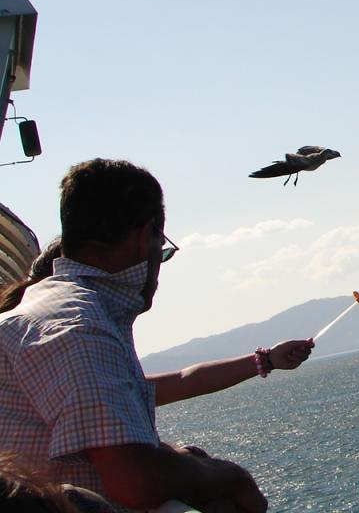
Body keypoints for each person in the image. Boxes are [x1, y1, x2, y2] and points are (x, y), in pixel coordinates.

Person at [0, 159, 316, 512]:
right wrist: (230, 476)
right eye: (161, 249)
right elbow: (134, 481)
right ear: (144, 237)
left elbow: (169, 387)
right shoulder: (79, 328)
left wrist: (267, 359)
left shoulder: (49, 311)